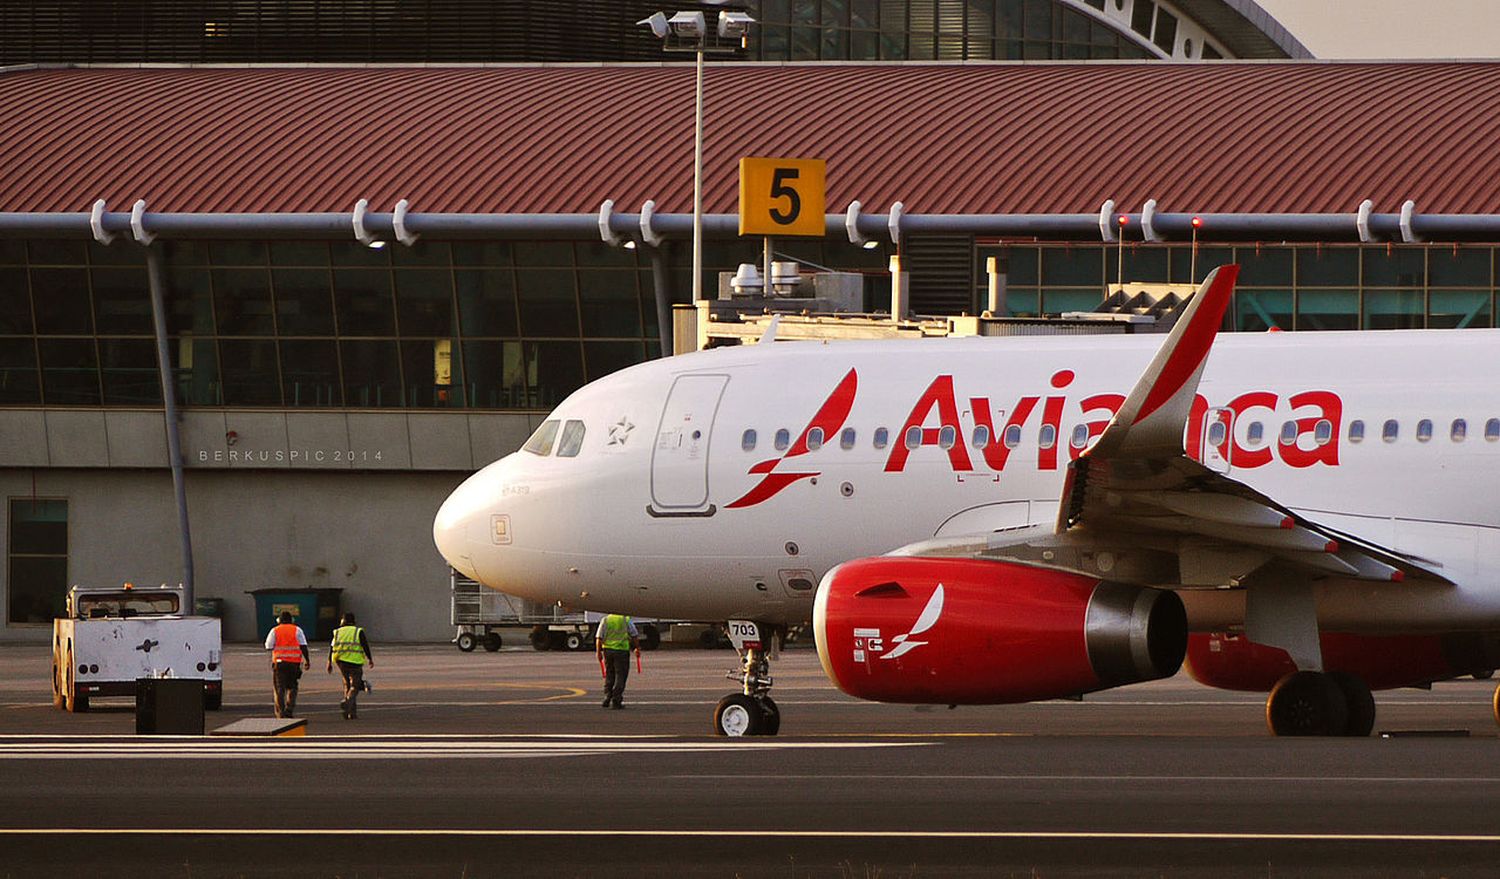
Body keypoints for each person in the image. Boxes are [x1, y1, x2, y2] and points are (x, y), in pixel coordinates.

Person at [327, 612, 374, 719]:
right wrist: (370, 658)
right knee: (355, 686)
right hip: (354, 661)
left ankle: (351, 712)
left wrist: (329, 661)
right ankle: (347, 702)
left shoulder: (337, 632)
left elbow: (332, 647)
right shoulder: (358, 631)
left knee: (347, 684)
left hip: (340, 661)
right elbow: (365, 645)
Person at [264, 610, 310, 718]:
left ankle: (280, 712)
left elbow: (268, 646)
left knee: (279, 688)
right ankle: (289, 709)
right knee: (292, 687)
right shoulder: (297, 630)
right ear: (292, 620)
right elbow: (303, 646)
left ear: (279, 620)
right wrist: (307, 660)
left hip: (279, 663)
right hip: (294, 663)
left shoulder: (275, 630)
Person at [594, 613, 639, 709]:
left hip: (608, 651)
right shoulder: (625, 620)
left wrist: (598, 652)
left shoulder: (606, 620)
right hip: (622, 651)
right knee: (621, 675)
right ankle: (616, 699)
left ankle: (607, 696)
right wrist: (637, 648)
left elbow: (599, 637)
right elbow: (634, 634)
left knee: (610, 674)